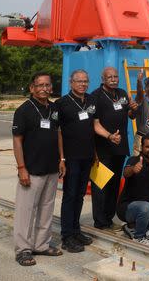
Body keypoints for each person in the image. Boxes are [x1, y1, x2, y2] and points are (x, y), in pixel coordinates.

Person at [11, 73, 64, 267]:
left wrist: (62, 159)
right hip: (31, 169)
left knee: (46, 209)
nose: (44, 88)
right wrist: (21, 168)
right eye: (39, 85)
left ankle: (41, 244)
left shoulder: (54, 108)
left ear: (51, 87)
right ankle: (23, 249)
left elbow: (58, 133)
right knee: (26, 212)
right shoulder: (23, 110)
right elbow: (17, 140)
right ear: (32, 88)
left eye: (47, 85)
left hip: (51, 168)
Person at [91, 67, 139, 230]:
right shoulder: (95, 96)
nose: (113, 79)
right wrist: (108, 136)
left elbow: (131, 115)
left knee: (113, 185)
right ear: (103, 79)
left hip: (120, 148)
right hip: (103, 149)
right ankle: (100, 221)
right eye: (109, 77)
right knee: (101, 186)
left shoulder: (122, 93)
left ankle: (109, 218)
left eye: (115, 76)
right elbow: (93, 124)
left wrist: (133, 108)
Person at [56, 69, 96, 253]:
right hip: (71, 158)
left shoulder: (90, 100)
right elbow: (59, 133)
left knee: (80, 195)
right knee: (70, 195)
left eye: (85, 81)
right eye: (79, 81)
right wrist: (62, 158)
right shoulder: (62, 104)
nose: (83, 84)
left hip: (87, 156)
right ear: (71, 83)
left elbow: (92, 127)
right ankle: (66, 236)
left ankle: (76, 229)